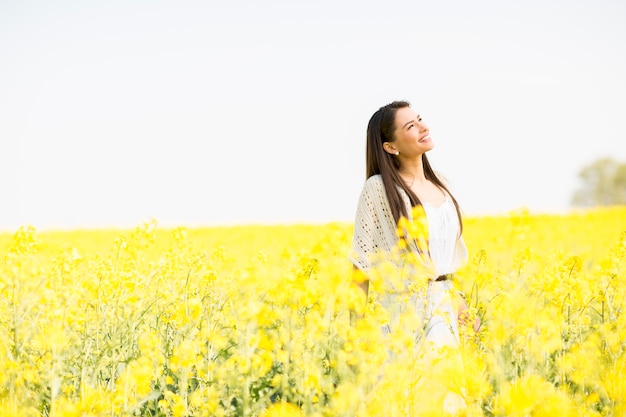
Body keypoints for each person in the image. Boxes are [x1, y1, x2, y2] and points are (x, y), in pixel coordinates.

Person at [349, 100, 479, 352]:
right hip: (403, 320)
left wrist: (461, 307)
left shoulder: (441, 183)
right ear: (390, 146)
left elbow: (442, 268)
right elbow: (360, 266)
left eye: (420, 119)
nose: (423, 127)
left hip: (446, 314)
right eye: (411, 125)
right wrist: (357, 334)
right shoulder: (378, 189)